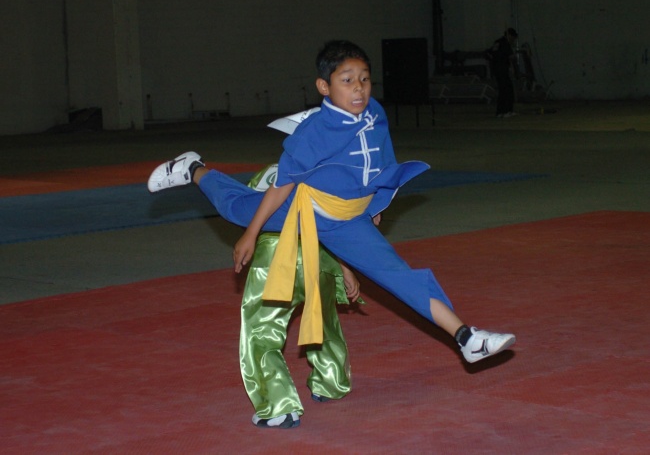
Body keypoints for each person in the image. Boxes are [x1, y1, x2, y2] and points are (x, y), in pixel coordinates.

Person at [148, 39, 516, 427]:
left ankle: (467, 339)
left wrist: (374, 205)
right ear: (324, 86)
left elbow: (382, 163)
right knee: (237, 209)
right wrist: (250, 234)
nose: (359, 89)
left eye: (364, 79)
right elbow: (282, 186)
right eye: (347, 80)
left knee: (401, 277)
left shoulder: (375, 113)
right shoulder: (314, 133)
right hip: (306, 207)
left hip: (350, 220)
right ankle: (193, 169)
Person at [240, 163, 362, 429]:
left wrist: (248, 237)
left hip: (274, 257)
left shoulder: (265, 175)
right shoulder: (323, 177)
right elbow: (335, 224)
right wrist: (345, 268)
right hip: (318, 255)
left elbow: (245, 212)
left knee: (261, 331)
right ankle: (332, 382)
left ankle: (279, 406)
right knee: (323, 321)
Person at [487, 28, 518, 117]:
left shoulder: (497, 42)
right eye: (513, 38)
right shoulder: (505, 43)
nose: (513, 40)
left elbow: (490, 53)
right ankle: (504, 111)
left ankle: (504, 111)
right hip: (502, 69)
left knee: (505, 89)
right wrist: (514, 58)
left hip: (497, 69)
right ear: (509, 35)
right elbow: (511, 56)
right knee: (506, 90)